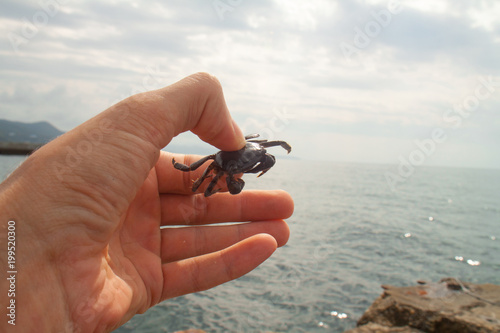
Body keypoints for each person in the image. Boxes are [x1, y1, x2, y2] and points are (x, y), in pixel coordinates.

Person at [0, 73, 293, 332]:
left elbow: (269, 148)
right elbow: (201, 182)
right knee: (206, 187)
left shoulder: (253, 149)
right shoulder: (216, 166)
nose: (241, 171)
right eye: (233, 174)